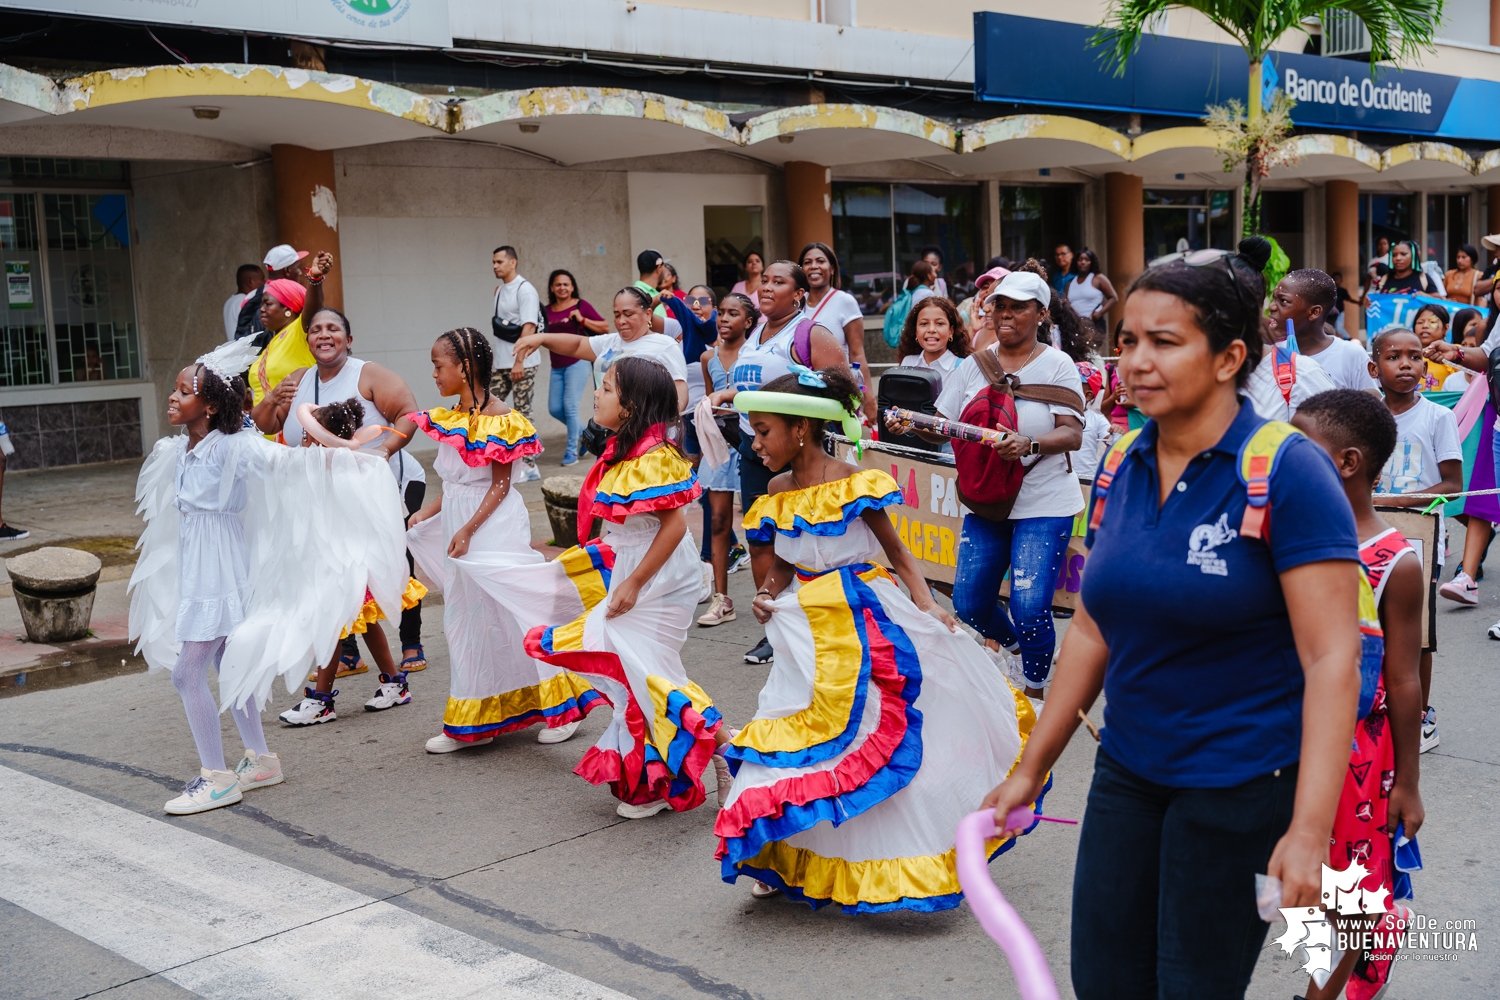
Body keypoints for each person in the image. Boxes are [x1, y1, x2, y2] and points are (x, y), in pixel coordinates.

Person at [983, 236, 1363, 1000]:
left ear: (1228, 358)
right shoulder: (1120, 460)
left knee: (1192, 988)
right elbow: (1092, 627)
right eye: (1128, 341)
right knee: (1105, 981)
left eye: (1165, 341)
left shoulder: (1286, 471)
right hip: (1128, 771)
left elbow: (1332, 661)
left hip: (1240, 782)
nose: (1136, 361)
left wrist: (1309, 831)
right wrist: (1032, 767)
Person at [716, 367, 1033, 909]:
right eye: (754, 430)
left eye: (764, 430)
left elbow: (899, 553)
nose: (756, 442)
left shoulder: (854, 479)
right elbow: (783, 568)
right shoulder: (773, 490)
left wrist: (929, 606)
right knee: (787, 730)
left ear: (800, 429)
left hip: (866, 621)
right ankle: (780, 851)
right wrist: (766, 594)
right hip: (806, 631)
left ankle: (920, 845)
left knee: (875, 737)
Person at [523, 357, 725, 819]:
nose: (597, 394)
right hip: (635, 566)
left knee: (647, 674)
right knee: (638, 673)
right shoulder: (624, 451)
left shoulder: (656, 456)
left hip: (660, 577)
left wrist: (634, 582)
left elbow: (673, 527)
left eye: (608, 388)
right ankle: (668, 772)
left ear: (631, 406)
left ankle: (715, 751)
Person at [407, 328, 601, 752]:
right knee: (467, 618)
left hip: (493, 525)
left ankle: (564, 705)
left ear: (463, 368)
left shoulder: (500, 418)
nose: (435, 375)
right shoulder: (452, 416)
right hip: (464, 521)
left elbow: (499, 484)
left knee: (517, 608)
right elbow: (458, 482)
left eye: (439, 366)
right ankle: (477, 717)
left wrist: (468, 528)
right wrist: (431, 511)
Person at [1292, 389, 1426, 1000]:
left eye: (1300, 446)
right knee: (1301, 881)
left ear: (1347, 462)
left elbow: (1403, 678)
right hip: (1282, 740)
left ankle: (1328, 990)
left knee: (1350, 892)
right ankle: (1325, 969)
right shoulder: (1282, 539)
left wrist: (1408, 782)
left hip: (1356, 758)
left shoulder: (1395, 562)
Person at [926, 270, 1085, 697]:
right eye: (999, 305)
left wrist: (1030, 443)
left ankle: (1034, 690)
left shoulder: (1058, 365)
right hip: (987, 500)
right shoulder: (975, 365)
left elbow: (1073, 433)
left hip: (1045, 501)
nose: (1006, 314)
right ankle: (1016, 651)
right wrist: (916, 424)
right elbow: (946, 424)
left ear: (1041, 313)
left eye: (1018, 306)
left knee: (1030, 606)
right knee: (969, 603)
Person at [250, 307, 429, 679]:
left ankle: (411, 641)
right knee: (339, 568)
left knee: (393, 558)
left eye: (333, 329)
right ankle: (349, 653)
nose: (323, 334)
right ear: (308, 341)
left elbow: (409, 415)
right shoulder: (299, 379)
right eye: (315, 330)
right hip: (330, 496)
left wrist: (385, 451)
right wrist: (270, 399)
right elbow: (265, 425)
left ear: (348, 340)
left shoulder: (368, 375)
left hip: (389, 483)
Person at [148, 350, 282, 814]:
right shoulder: (188, 446)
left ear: (209, 407)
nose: (173, 395)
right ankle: (261, 760)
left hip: (219, 569)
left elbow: (282, 466)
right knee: (230, 663)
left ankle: (217, 778)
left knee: (187, 674)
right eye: (176, 387)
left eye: (185, 391)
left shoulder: (231, 445)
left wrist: (335, 452)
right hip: (203, 564)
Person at [703, 260, 847, 665]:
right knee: (761, 536)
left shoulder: (810, 333)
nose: (766, 288)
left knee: (808, 540)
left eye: (778, 282)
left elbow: (842, 393)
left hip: (798, 453)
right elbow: (750, 385)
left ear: (799, 293)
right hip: (755, 449)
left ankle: (819, 623)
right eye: (764, 281)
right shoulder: (756, 334)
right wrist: (727, 398)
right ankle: (774, 627)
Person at [276, 397, 427, 726]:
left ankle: (321, 699)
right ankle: (395, 683)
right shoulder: (319, 465)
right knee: (367, 624)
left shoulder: (346, 469)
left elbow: (352, 520)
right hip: (336, 561)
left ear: (325, 437)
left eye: (309, 432)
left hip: (348, 563)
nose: (303, 436)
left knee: (332, 626)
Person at [1371, 325, 1462, 754]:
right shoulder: (1365, 416)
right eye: (1393, 357)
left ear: (1425, 367)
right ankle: (1378, 705)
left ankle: (1422, 715)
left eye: (1414, 356)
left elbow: (1452, 483)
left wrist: (1400, 498)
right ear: (1375, 367)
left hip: (1421, 535)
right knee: (1373, 622)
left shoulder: (1437, 417)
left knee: (1418, 632)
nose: (1405, 364)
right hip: (1371, 532)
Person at [514, 287, 690, 411]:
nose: (621, 321)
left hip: (647, 444)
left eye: (628, 314)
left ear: (648, 314)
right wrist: (542, 338)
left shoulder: (665, 346)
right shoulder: (611, 342)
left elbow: (679, 396)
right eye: (616, 315)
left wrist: (652, 426)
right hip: (610, 441)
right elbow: (577, 345)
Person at [695, 292, 757, 628]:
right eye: (720, 313)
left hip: (751, 442)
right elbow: (708, 404)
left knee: (757, 520)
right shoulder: (709, 358)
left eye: (733, 314)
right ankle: (723, 599)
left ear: (748, 321)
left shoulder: (756, 355)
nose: (724, 319)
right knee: (717, 520)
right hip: (719, 446)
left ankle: (769, 594)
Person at [1267, 268, 1378, 392]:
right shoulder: (1273, 353)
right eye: (1274, 299)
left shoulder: (1350, 354)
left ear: (1314, 312)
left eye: (1283, 301)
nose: (1271, 307)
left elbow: (1371, 404)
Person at [248, 252, 333, 413]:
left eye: (268, 304)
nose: (262, 310)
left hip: (289, 434)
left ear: (288, 308)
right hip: (264, 434)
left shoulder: (300, 331)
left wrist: (315, 280)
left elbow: (312, 311)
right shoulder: (273, 342)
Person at [800, 241, 875, 421]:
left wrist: (869, 398)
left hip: (835, 392)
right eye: (807, 262)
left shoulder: (844, 301)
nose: (814, 266)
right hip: (800, 392)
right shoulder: (796, 303)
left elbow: (857, 353)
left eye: (820, 261)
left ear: (832, 269)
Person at [543, 269, 607, 466]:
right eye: (558, 284)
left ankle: (571, 452)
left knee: (570, 407)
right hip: (557, 365)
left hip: (577, 362)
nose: (562, 288)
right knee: (554, 408)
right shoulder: (546, 311)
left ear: (572, 287)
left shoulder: (581, 305)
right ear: (552, 288)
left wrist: (583, 319)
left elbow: (605, 327)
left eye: (566, 284)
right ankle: (585, 435)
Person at [489, 245, 542, 484]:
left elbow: (529, 327)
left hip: (523, 362)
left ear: (513, 262)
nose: (495, 266)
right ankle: (495, 455)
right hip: (501, 362)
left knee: (522, 412)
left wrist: (519, 361)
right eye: (493, 262)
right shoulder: (500, 290)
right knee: (488, 405)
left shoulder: (525, 289)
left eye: (499, 262)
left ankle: (529, 464)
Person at [235, 244, 307, 343]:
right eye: (298, 267)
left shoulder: (251, 295)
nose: (300, 272)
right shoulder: (292, 293)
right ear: (287, 270)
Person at [896, 295, 968, 375]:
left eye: (939, 323)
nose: (931, 329)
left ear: (951, 331)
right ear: (916, 331)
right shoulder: (908, 362)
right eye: (924, 324)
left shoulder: (962, 367)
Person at [1064, 248, 1118, 349]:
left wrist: (1100, 313)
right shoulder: (1070, 283)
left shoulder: (1098, 279)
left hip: (1094, 323)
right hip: (1076, 325)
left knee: (1091, 352)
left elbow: (1113, 298)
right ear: (1075, 262)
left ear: (1091, 263)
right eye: (1080, 259)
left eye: (1087, 260)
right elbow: (1065, 303)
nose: (1083, 262)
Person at [1408, 302, 1468, 391]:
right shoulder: (1407, 354)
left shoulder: (1457, 352)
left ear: (1446, 328)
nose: (1425, 326)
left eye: (1432, 322)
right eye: (1420, 322)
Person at [1070, 361, 1111, 478]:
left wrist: (1116, 434)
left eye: (1074, 385)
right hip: (1060, 480)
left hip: (1086, 478)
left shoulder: (1097, 419)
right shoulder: (1055, 414)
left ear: (1088, 395)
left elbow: (1112, 441)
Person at [1364, 240, 1437, 301]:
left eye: (1403, 254)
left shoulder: (1423, 278)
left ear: (1413, 256)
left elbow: (1442, 301)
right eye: (1394, 255)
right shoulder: (1385, 279)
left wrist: (1426, 296)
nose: (1398, 258)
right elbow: (1377, 301)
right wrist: (1369, 301)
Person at [223, 264, 262, 341]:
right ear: (250, 281)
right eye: (262, 279)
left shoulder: (229, 302)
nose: (264, 283)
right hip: (247, 350)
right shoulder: (246, 302)